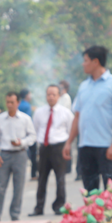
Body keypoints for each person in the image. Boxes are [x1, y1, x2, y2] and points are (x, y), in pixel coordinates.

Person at [64, 46, 112, 192]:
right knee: (90, 190)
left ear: (96, 62)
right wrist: (69, 142)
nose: (83, 64)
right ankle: (93, 215)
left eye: (85, 61)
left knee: (110, 188)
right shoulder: (84, 86)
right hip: (85, 145)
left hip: (106, 145)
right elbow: (78, 116)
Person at [0, 92, 37, 221]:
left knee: (19, 186)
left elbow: (32, 136)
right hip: (4, 154)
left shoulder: (25, 119)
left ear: (18, 103)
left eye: (12, 102)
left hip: (20, 154)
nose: (9, 105)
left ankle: (15, 214)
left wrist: (21, 142)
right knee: (0, 187)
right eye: (8, 102)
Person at [29, 85, 73, 216]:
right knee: (42, 178)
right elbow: (35, 129)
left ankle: (59, 206)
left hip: (59, 147)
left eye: (54, 94)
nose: (51, 97)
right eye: (49, 94)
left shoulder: (66, 113)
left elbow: (71, 131)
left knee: (60, 178)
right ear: (46, 96)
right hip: (44, 148)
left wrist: (67, 146)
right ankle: (39, 207)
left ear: (59, 96)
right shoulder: (39, 112)